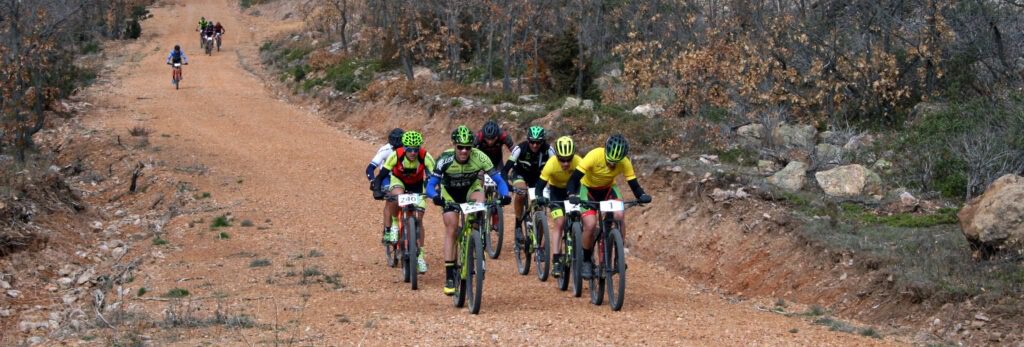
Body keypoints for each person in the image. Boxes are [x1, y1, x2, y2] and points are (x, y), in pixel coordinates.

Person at [427, 125, 511, 295]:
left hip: (471, 190)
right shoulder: (445, 159)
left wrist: (505, 195)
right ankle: (450, 275)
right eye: (460, 147)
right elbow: (430, 185)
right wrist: (435, 197)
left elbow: (499, 180)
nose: (464, 151)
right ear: (454, 145)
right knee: (451, 227)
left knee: (480, 205)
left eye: (467, 147)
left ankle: (477, 240)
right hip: (450, 192)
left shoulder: (480, 157)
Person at [566, 134, 652, 279]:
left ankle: (618, 255)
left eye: (615, 163)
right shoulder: (594, 155)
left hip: (608, 189)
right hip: (588, 190)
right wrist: (572, 194)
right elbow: (573, 179)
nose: (612, 165)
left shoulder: (624, 162)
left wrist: (641, 195)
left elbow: (634, 185)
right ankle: (586, 260)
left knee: (619, 215)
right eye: (610, 161)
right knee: (590, 225)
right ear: (605, 151)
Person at [372, 131, 434, 274]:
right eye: (409, 149)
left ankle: (420, 257)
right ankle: (394, 223)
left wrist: (434, 191)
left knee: (419, 220)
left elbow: (436, 176)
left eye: (416, 149)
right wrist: (377, 190)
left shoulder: (426, 156)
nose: (413, 153)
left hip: (417, 185)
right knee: (396, 196)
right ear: (404, 148)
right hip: (399, 181)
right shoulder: (396, 155)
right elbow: (381, 176)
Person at [532, 136, 580, 278]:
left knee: (582, 218)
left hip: (574, 192)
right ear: (557, 157)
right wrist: (539, 197)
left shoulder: (579, 161)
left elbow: (587, 182)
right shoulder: (551, 164)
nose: (565, 163)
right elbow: (539, 186)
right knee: (559, 222)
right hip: (556, 194)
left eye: (569, 159)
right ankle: (556, 260)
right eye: (562, 159)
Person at [501, 125, 554, 247]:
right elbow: (505, 170)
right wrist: (507, 185)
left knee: (540, 206)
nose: (535, 145)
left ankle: (539, 244)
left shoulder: (549, 150)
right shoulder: (520, 149)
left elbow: (556, 168)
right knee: (521, 192)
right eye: (532, 142)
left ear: (543, 141)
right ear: (528, 140)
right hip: (520, 174)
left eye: (538, 142)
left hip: (538, 178)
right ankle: (518, 225)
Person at [366, 128, 404, 244]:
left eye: (400, 147)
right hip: (387, 176)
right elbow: (370, 168)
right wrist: (373, 181)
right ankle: (387, 231)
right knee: (390, 200)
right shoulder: (385, 150)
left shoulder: (408, 150)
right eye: (394, 147)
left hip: (402, 176)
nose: (397, 150)